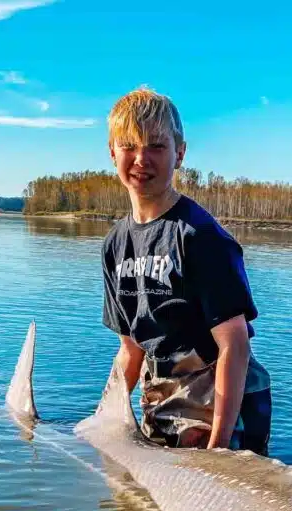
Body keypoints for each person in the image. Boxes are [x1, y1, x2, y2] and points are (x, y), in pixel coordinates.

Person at [101, 87, 272, 454]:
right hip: (161, 393)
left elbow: (235, 345)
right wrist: (103, 417)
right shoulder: (115, 245)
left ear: (180, 154)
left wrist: (219, 449)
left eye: (156, 146)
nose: (141, 158)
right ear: (112, 152)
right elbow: (130, 349)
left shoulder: (201, 237)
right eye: (129, 145)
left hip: (222, 399)